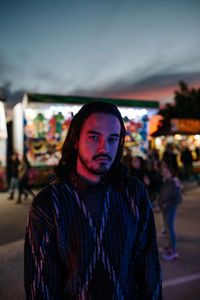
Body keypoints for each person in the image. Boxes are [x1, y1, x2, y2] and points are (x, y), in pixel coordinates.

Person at [24, 101, 162, 299]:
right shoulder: (49, 203)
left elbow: (149, 270)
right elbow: (41, 285)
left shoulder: (134, 193)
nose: (103, 148)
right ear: (75, 139)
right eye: (94, 137)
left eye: (113, 139)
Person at [160, 165, 183, 261]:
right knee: (168, 230)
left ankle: (173, 251)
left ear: (171, 173)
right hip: (165, 209)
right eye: (163, 172)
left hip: (171, 209)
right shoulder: (166, 181)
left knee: (171, 230)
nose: (164, 174)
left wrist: (167, 204)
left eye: (166, 172)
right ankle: (169, 248)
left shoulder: (174, 183)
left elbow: (179, 199)